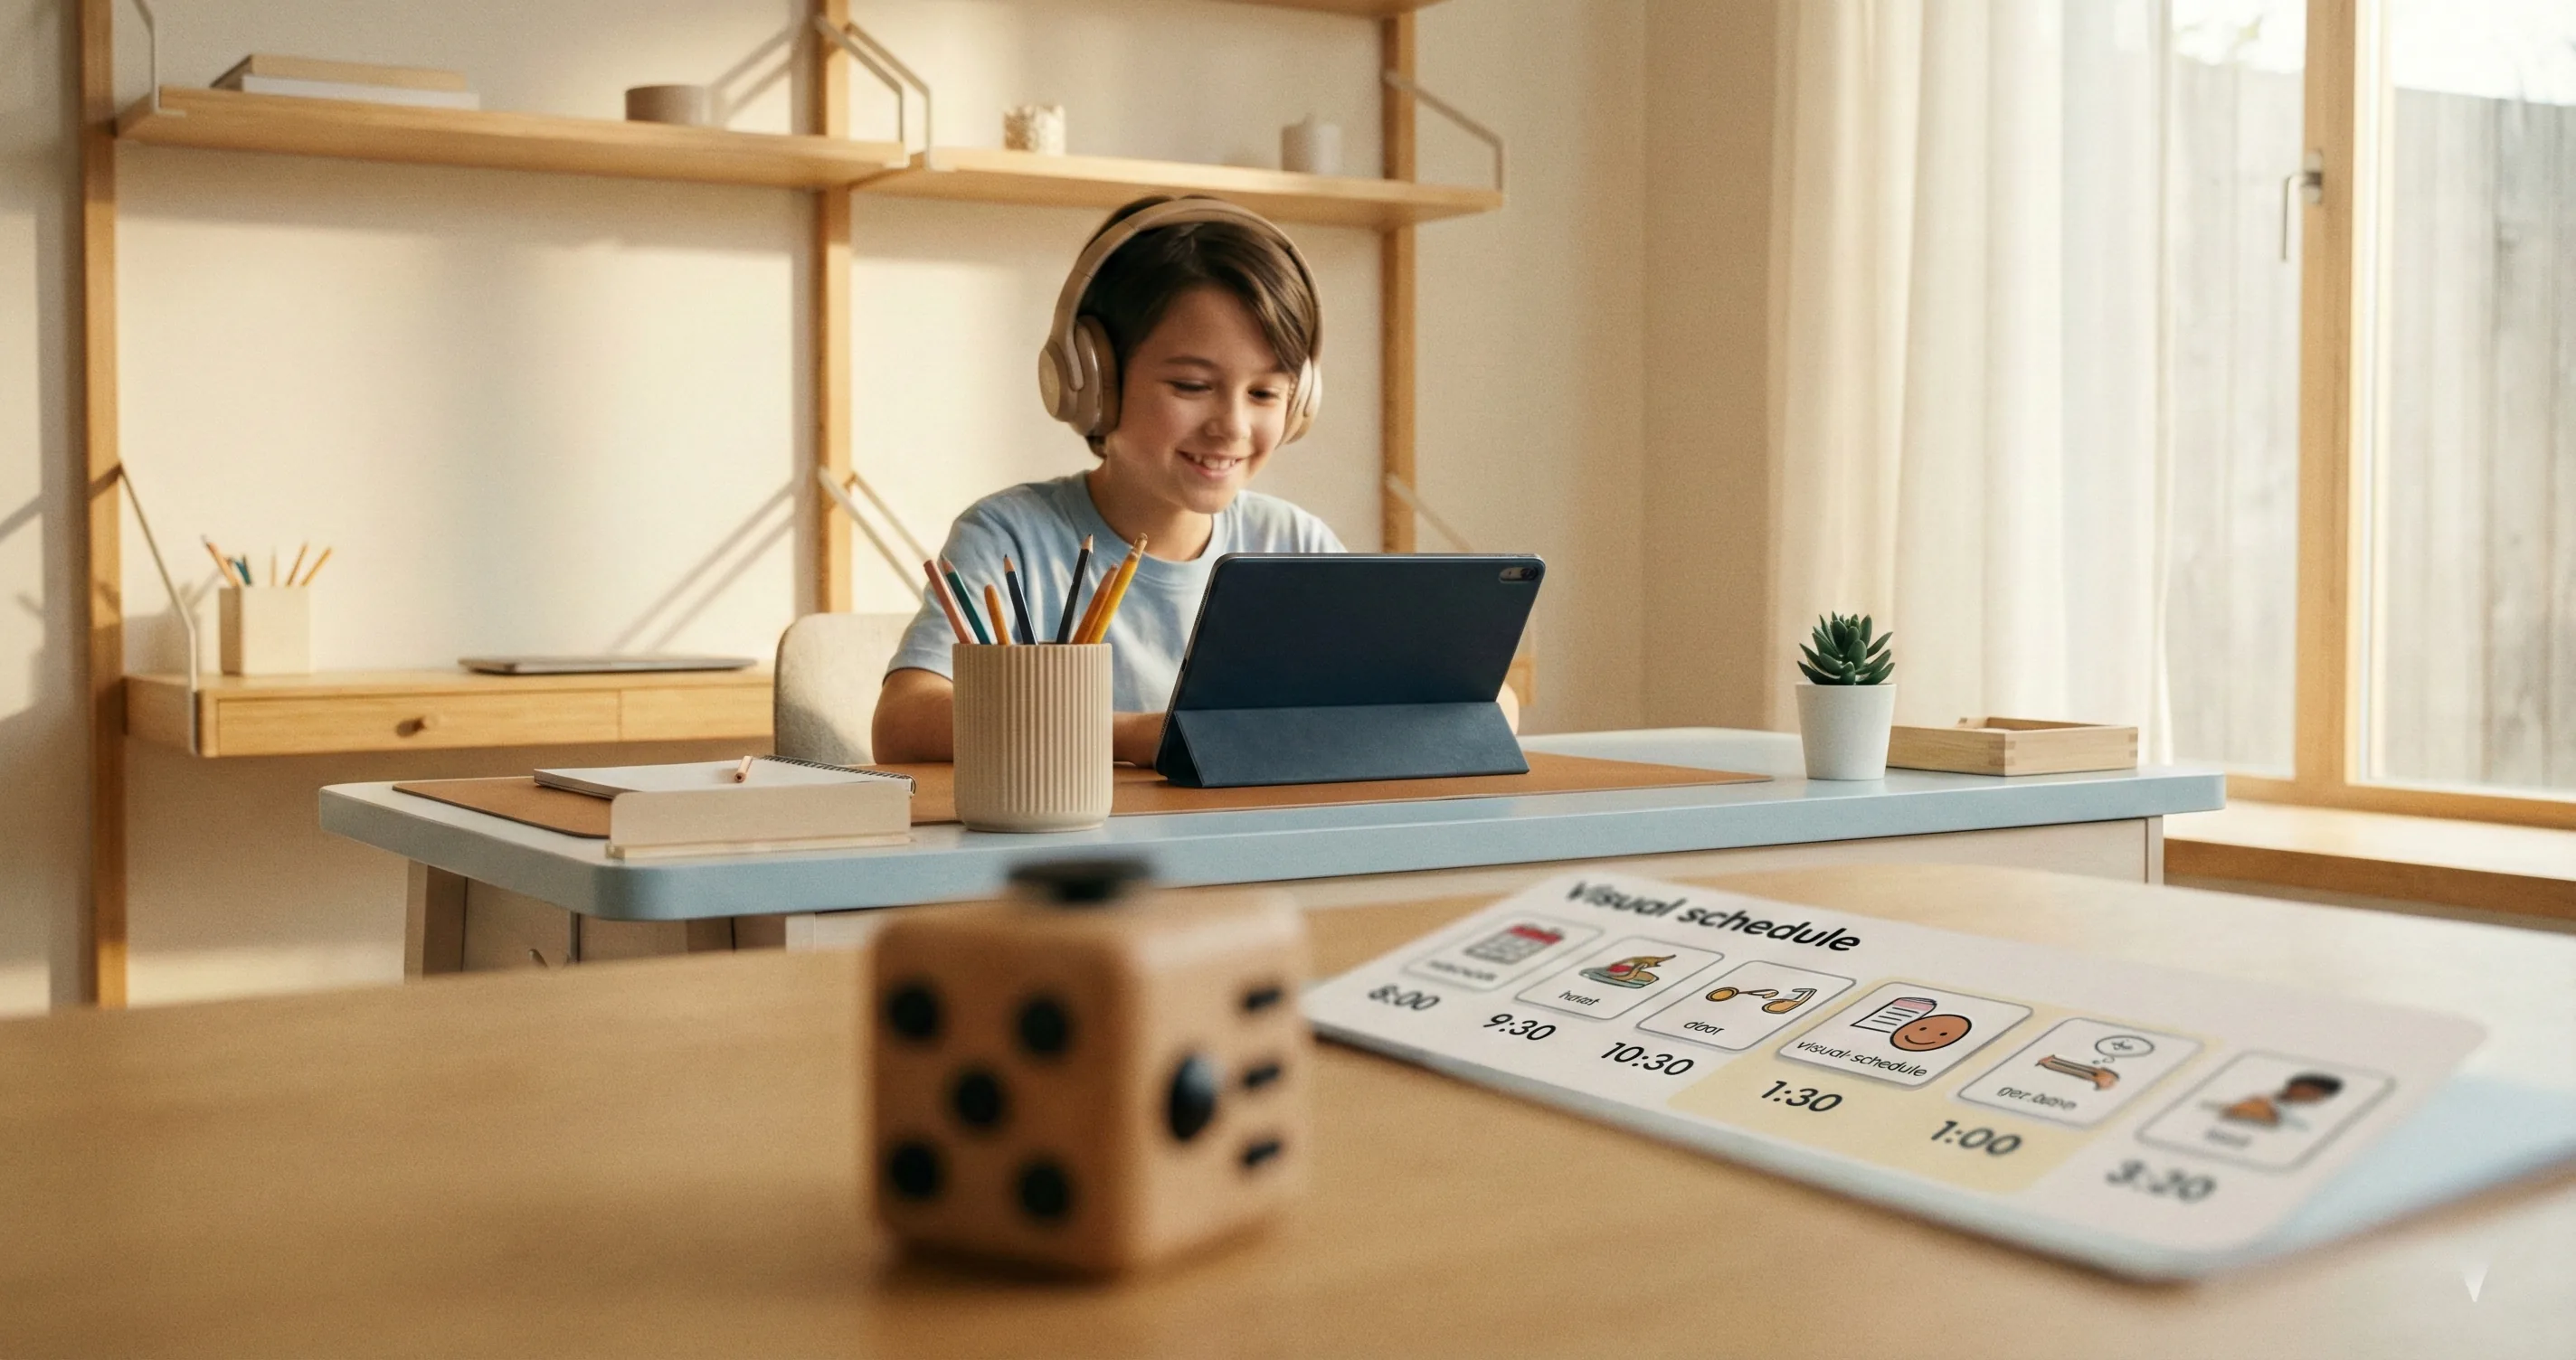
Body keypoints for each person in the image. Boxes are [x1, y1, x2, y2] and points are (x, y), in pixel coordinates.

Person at [874, 194, 1518, 766]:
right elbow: (902, 721)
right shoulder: (1013, 536)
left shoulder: (1294, 544)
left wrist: (1469, 698)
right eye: (1191, 386)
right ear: (1092, 381)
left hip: (1247, 871)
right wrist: (1130, 736)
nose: (1232, 426)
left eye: (1266, 391)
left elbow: (1462, 704)